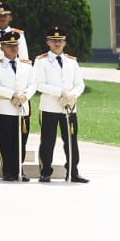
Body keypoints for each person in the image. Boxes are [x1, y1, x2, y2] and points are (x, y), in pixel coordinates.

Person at [34, 26, 87, 183]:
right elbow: (39, 84)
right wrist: (61, 92)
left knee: (71, 141)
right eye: (54, 40)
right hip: (49, 107)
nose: (57, 43)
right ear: (48, 42)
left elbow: (80, 84)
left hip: (69, 107)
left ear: (65, 42)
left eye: (60, 41)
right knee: (47, 141)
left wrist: (72, 95)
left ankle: (72, 172)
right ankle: (45, 172)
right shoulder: (41, 61)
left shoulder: (71, 61)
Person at [0, 30, 33, 182]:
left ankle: (19, 168)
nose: (13, 48)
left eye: (15, 45)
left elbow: (33, 84)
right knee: (6, 141)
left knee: (21, 140)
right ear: (2, 47)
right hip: (4, 107)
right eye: (9, 45)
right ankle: (7, 170)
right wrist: (13, 94)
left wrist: (24, 95)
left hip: (22, 107)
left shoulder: (26, 65)